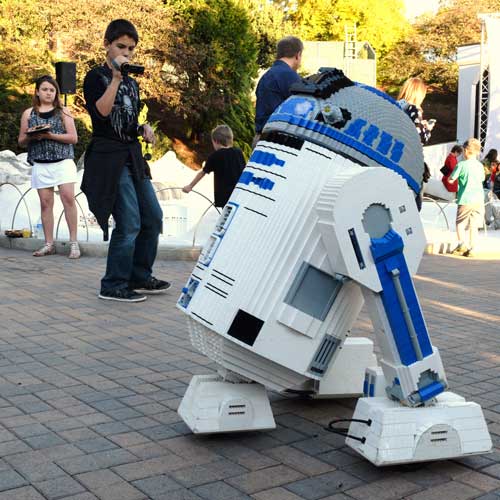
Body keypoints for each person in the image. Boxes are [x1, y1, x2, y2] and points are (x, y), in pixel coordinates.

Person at [81, 19, 169, 303]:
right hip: (109, 157)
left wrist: (143, 128)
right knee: (129, 222)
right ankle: (113, 284)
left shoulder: (132, 83)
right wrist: (116, 78)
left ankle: (140, 276)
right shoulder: (96, 77)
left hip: (131, 154)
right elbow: (102, 115)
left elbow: (127, 119)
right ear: (107, 45)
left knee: (153, 216)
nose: (126, 52)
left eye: (131, 48)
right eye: (121, 46)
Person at [18, 75, 80, 259]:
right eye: (45, 89)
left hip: (63, 162)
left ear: (56, 93)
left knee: (68, 199)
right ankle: (48, 243)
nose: (48, 93)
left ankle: (74, 243)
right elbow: (21, 141)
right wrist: (32, 136)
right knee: (46, 204)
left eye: (52, 90)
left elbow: (73, 138)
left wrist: (50, 135)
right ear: (37, 91)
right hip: (41, 163)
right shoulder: (29, 114)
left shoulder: (64, 112)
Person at [253, 36, 303, 146]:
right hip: (278, 140)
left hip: (261, 137)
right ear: (297, 55)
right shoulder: (290, 76)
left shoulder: (266, 76)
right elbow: (303, 109)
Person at [183, 125, 245, 208]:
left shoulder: (215, 156)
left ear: (216, 141)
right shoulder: (238, 152)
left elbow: (202, 173)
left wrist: (190, 186)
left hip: (225, 198)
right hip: (239, 194)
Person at [397, 77, 434, 210]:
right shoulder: (414, 109)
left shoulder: (397, 106)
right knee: (414, 204)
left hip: (397, 157)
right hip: (412, 161)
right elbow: (420, 138)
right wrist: (427, 129)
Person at [449, 138, 484, 258]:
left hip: (465, 198)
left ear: (465, 151)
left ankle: (461, 244)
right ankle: (472, 248)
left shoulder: (461, 165)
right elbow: (482, 179)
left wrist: (450, 178)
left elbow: (451, 179)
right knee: (474, 225)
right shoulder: (480, 166)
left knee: (460, 223)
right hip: (479, 199)